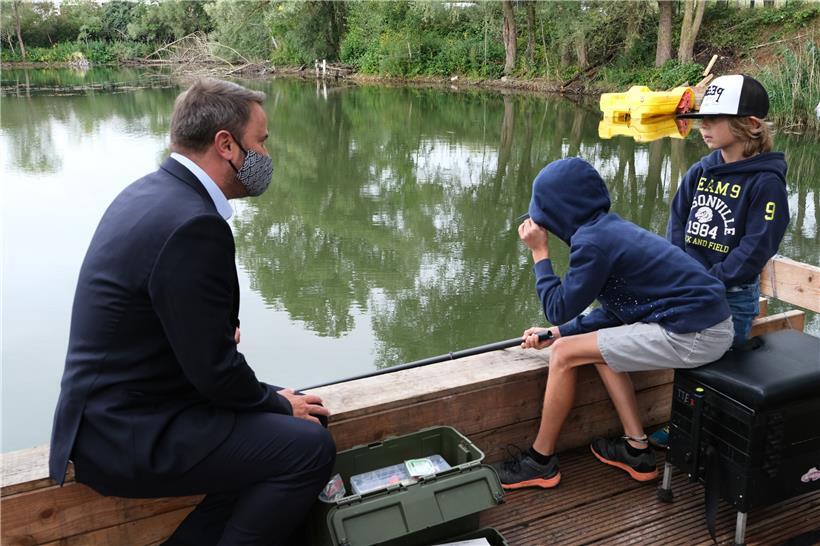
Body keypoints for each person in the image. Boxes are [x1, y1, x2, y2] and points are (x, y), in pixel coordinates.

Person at [48, 79, 335, 545]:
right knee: (308, 447)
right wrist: (278, 402)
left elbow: (186, 340)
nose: (265, 154)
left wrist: (264, 396)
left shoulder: (149, 194)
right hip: (128, 436)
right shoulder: (194, 224)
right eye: (260, 141)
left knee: (279, 435)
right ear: (226, 144)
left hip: (114, 418)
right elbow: (216, 372)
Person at [492, 157, 733, 490]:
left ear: (559, 214)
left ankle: (540, 462)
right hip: (708, 325)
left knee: (563, 354)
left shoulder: (592, 245)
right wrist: (558, 332)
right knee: (594, 344)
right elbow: (620, 311)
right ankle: (637, 450)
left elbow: (557, 306)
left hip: (694, 333)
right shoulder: (609, 231)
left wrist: (540, 255)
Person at [649, 74, 790, 449]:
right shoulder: (701, 171)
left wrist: (712, 279)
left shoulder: (766, 182)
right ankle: (683, 428)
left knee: (719, 370)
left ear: (751, 125)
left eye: (714, 119)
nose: (703, 127)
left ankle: (708, 438)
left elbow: (757, 246)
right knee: (688, 363)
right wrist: (682, 272)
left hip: (732, 296)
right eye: (702, 119)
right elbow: (676, 222)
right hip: (692, 286)